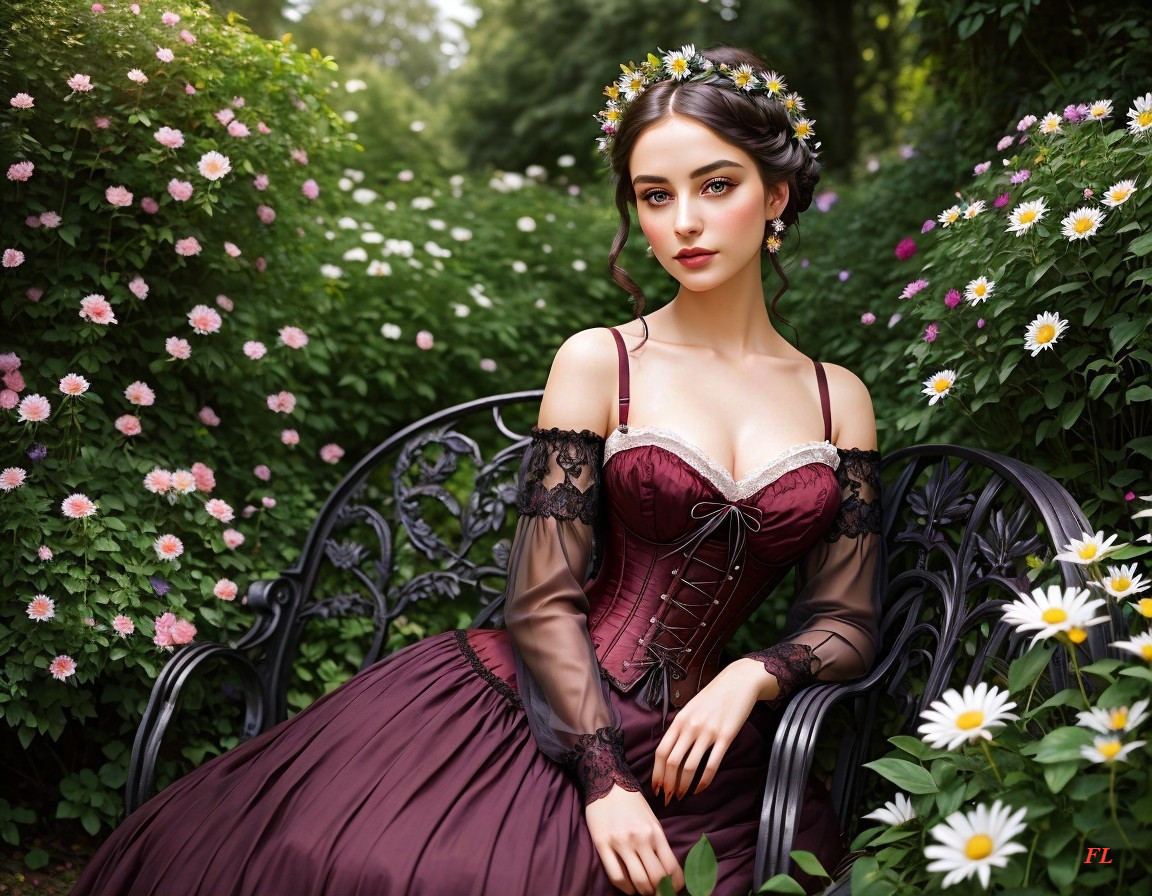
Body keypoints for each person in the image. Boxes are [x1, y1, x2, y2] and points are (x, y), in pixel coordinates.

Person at [72, 43, 882, 896]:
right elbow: (541, 597)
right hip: (552, 712)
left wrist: (751, 676)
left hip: (705, 760)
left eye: (716, 185)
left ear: (777, 193)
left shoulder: (838, 399)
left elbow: (848, 616)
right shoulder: (603, 363)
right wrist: (603, 781)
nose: (683, 221)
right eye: (655, 195)